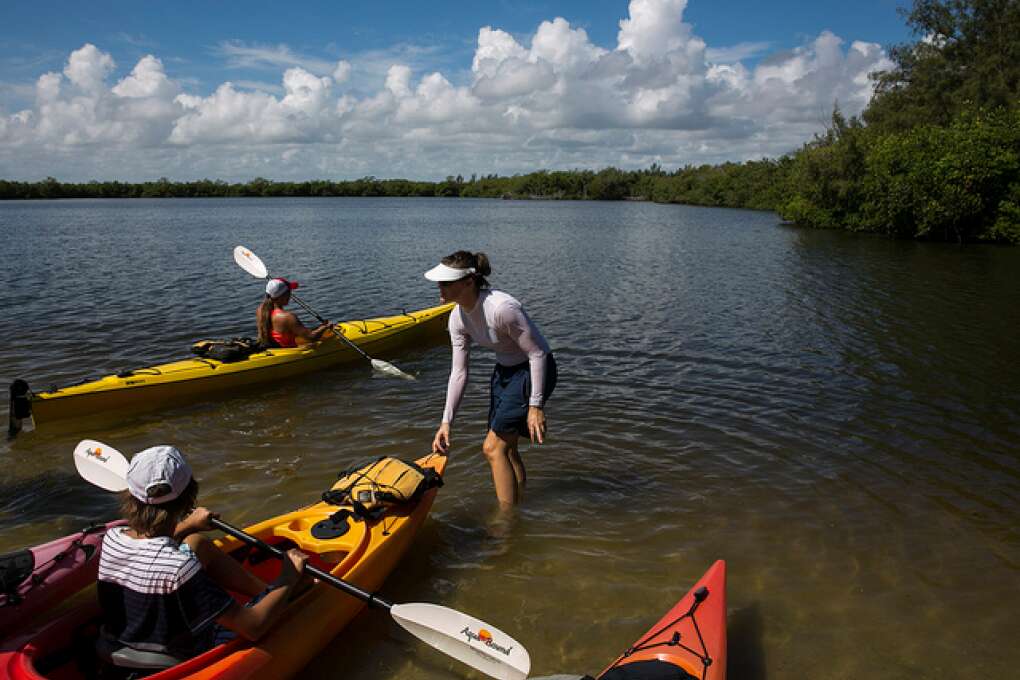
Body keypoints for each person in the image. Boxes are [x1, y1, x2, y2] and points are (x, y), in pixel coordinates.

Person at [97, 445, 308, 661]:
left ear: (131, 494)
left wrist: (188, 525)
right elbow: (252, 628)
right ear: (189, 497)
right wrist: (287, 578)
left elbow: (152, 548)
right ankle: (279, 596)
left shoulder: (112, 537)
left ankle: (267, 593)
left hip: (121, 643)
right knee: (264, 623)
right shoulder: (179, 568)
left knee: (196, 542)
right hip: (178, 657)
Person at [425, 251, 557, 508]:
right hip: (505, 372)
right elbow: (459, 372)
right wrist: (446, 422)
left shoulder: (502, 308)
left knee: (492, 448)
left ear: (468, 282)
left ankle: (506, 525)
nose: (439, 288)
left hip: (534, 370)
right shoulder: (457, 317)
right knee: (507, 448)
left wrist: (535, 406)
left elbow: (538, 354)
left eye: (446, 283)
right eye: (439, 282)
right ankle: (521, 500)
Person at [256, 277, 331, 348]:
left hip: (273, 348)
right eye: (289, 292)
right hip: (287, 352)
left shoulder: (261, 310)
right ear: (283, 295)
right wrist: (325, 327)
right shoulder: (288, 317)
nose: (291, 295)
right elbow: (311, 337)